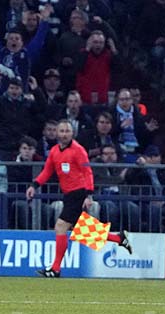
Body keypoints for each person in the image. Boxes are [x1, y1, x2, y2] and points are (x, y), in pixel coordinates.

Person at [25, 119, 133, 278]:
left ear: (72, 133)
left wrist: (88, 195)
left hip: (78, 193)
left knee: (60, 227)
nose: (64, 134)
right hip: (68, 195)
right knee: (82, 229)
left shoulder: (78, 150)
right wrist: (34, 185)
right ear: (57, 133)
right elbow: (47, 171)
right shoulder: (54, 151)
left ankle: (55, 269)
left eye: (67, 131)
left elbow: (87, 172)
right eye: (62, 131)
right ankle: (119, 238)